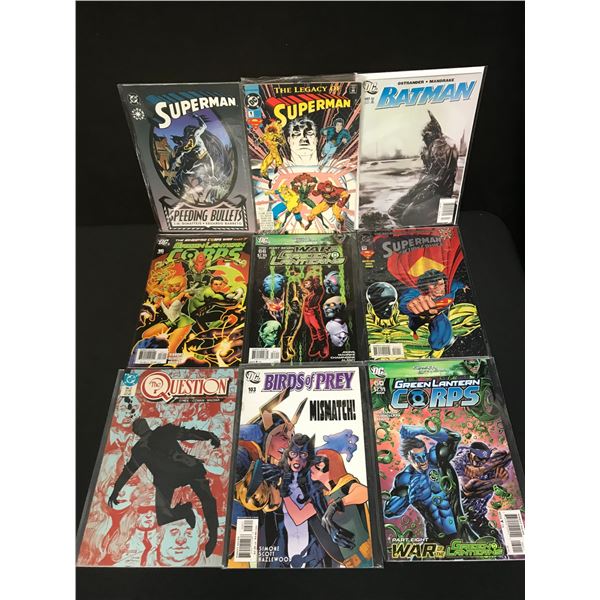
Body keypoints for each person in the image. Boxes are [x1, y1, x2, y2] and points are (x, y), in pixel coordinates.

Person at [108, 417, 221, 557]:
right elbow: (128, 471)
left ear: (138, 431)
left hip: (185, 471)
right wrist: (209, 435)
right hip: (173, 477)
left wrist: (209, 435)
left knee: (207, 500)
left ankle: (212, 535)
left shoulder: (159, 434)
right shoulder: (141, 447)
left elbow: (189, 433)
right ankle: (187, 512)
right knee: (164, 517)